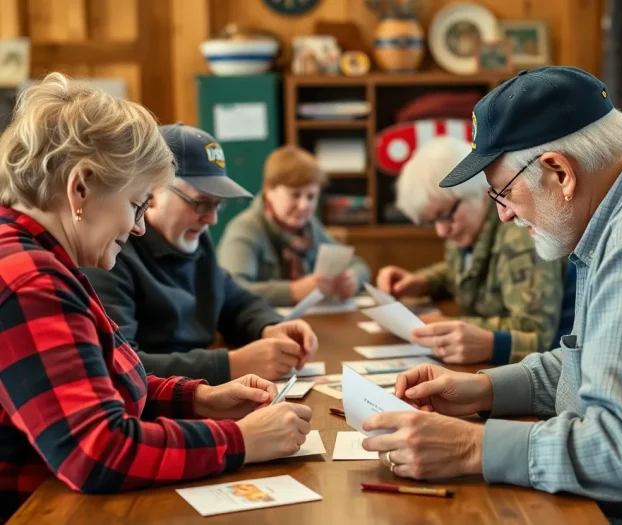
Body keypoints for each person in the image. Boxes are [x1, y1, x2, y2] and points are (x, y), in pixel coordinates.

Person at [361, 67, 622, 524]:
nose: (504, 216)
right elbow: (605, 359)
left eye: (504, 193)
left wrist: (468, 445)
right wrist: (486, 389)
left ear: (559, 171)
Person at [0, 73, 312, 524]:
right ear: (81, 187)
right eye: (136, 205)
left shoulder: (45, 260)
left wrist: (197, 399)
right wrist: (239, 439)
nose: (140, 227)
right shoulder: (30, 279)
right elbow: (98, 452)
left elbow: (101, 383)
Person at [82, 125, 318, 386]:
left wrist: (270, 327)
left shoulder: (196, 240)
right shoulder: (111, 255)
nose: (212, 219)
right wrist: (232, 365)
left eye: (218, 204)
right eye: (202, 202)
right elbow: (122, 365)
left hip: (197, 397)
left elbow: (237, 301)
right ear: (152, 193)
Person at [376, 136, 564, 364]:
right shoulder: (468, 227)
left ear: (477, 190)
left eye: (445, 216)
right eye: (432, 221)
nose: (441, 231)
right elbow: (467, 270)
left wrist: (447, 324)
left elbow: (535, 334)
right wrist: (422, 282)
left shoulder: (520, 236)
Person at [217, 144, 370, 307]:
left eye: (311, 196)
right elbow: (232, 288)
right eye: (295, 195)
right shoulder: (245, 228)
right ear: (269, 189)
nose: (304, 205)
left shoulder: (309, 227)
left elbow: (359, 266)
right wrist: (292, 291)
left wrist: (352, 279)